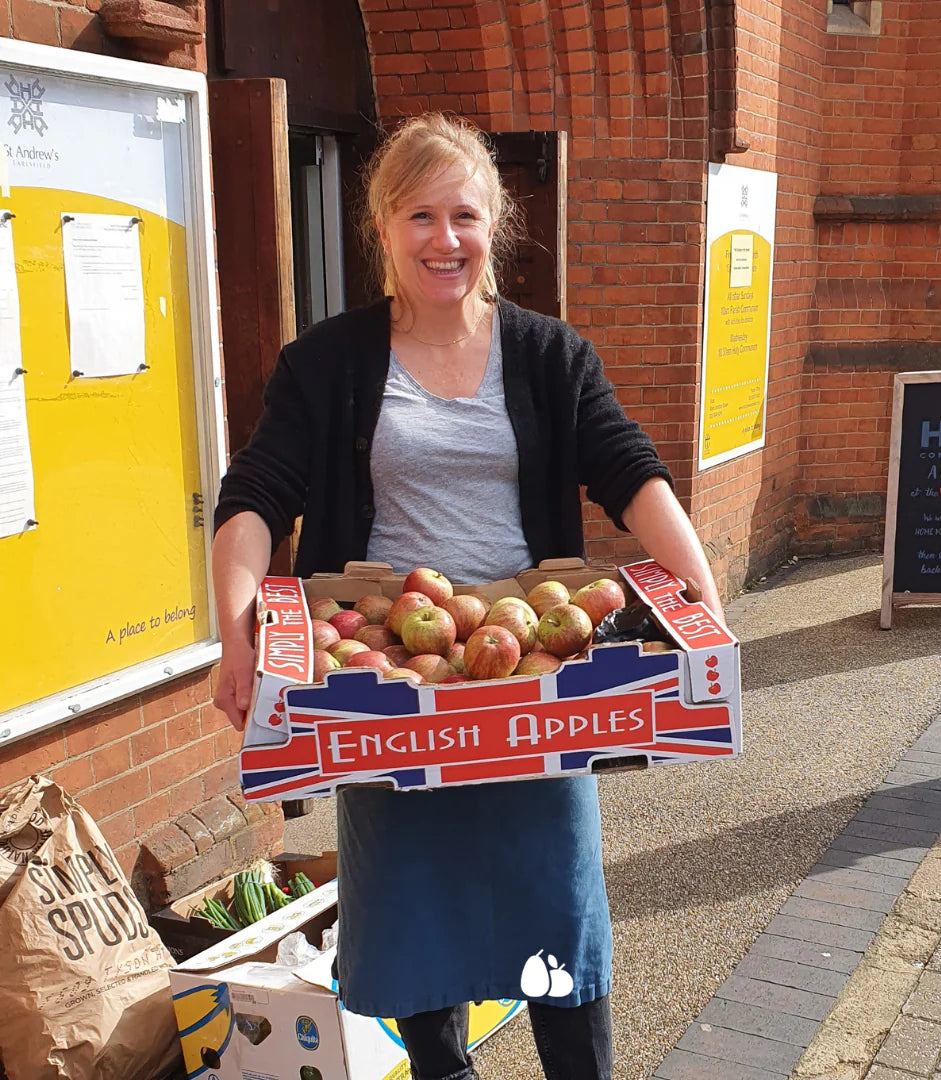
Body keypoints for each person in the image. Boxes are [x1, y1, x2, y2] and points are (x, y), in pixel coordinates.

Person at [212, 113, 724, 1080]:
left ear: (495, 224)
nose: (444, 240)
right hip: (389, 684)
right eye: (420, 217)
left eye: (464, 216)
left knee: (556, 929)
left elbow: (628, 468)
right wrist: (237, 635)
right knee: (420, 938)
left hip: (534, 680)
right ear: (383, 226)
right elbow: (256, 497)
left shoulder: (548, 356)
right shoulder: (325, 363)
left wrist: (699, 596)